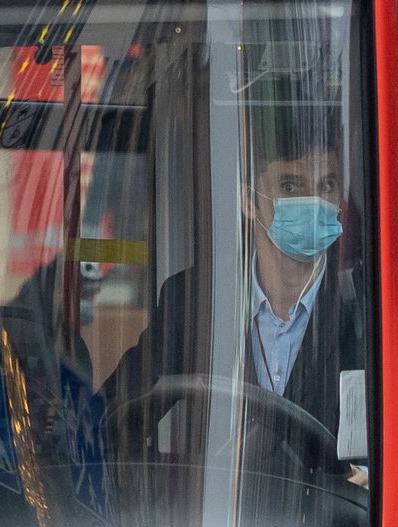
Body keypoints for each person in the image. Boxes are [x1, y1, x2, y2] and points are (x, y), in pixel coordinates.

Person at [104, 107, 366, 470]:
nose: (315, 202)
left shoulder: (376, 305)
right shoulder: (194, 300)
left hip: (340, 522)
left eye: (327, 185)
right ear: (248, 201)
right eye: (290, 186)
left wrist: (370, 481)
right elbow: (112, 420)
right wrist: (162, 486)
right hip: (225, 522)